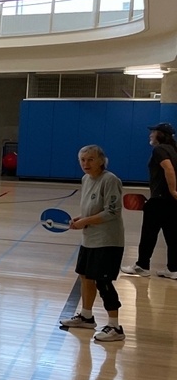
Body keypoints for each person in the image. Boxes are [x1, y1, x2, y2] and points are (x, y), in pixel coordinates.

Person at [60, 145, 126, 343]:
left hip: (108, 241)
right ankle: (86, 317)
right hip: (89, 239)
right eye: (82, 160)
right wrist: (81, 218)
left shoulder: (110, 180)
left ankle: (115, 327)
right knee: (85, 277)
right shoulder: (86, 179)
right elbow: (92, 208)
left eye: (90, 159)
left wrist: (85, 221)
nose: (85, 164)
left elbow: (112, 211)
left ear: (101, 160)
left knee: (103, 282)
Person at [121, 121, 177, 279]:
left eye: (153, 131)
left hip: (159, 200)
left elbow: (168, 168)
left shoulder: (160, 149)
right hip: (172, 203)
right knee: (173, 237)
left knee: (148, 235)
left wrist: (172, 190)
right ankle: (173, 269)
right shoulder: (174, 149)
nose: (150, 134)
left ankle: (142, 266)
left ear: (160, 134)